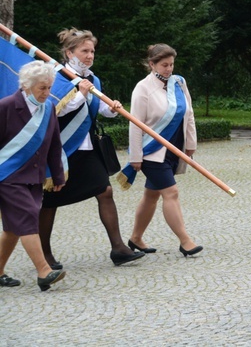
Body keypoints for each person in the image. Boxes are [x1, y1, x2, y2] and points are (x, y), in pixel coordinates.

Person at [39, 28, 144, 269]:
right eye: (84, 50)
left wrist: (112, 108)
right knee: (49, 202)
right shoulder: (57, 76)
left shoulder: (93, 79)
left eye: (92, 51)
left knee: (105, 191)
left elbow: (95, 108)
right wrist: (80, 94)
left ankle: (118, 248)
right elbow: (55, 109)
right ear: (69, 52)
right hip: (61, 149)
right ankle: (44, 254)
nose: (89, 55)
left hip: (86, 148)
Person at [121, 44, 201, 257]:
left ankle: (136, 237)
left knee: (151, 195)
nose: (169, 69)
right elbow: (135, 124)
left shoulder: (179, 82)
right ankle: (186, 241)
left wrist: (191, 143)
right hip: (151, 151)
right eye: (164, 65)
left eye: (171, 64)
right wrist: (135, 156)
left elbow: (189, 113)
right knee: (171, 192)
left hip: (174, 148)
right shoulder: (143, 88)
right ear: (152, 64)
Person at [0, 61, 67, 291]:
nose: (47, 93)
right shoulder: (6, 106)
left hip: (34, 176)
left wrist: (58, 175)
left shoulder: (48, 109)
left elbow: (55, 145)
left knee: (12, 227)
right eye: (42, 88)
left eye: (49, 88)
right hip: (8, 176)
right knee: (28, 217)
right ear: (26, 86)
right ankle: (44, 271)